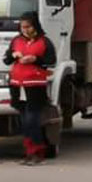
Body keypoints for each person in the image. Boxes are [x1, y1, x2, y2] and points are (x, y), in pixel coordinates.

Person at [4, 11, 56, 164]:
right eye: (22, 27)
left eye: (28, 26)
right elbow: (6, 59)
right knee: (23, 120)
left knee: (32, 119)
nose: (25, 30)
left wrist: (35, 59)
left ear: (35, 26)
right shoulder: (16, 41)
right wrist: (13, 55)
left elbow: (51, 60)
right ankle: (29, 152)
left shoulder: (44, 42)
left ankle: (38, 151)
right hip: (17, 85)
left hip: (35, 85)